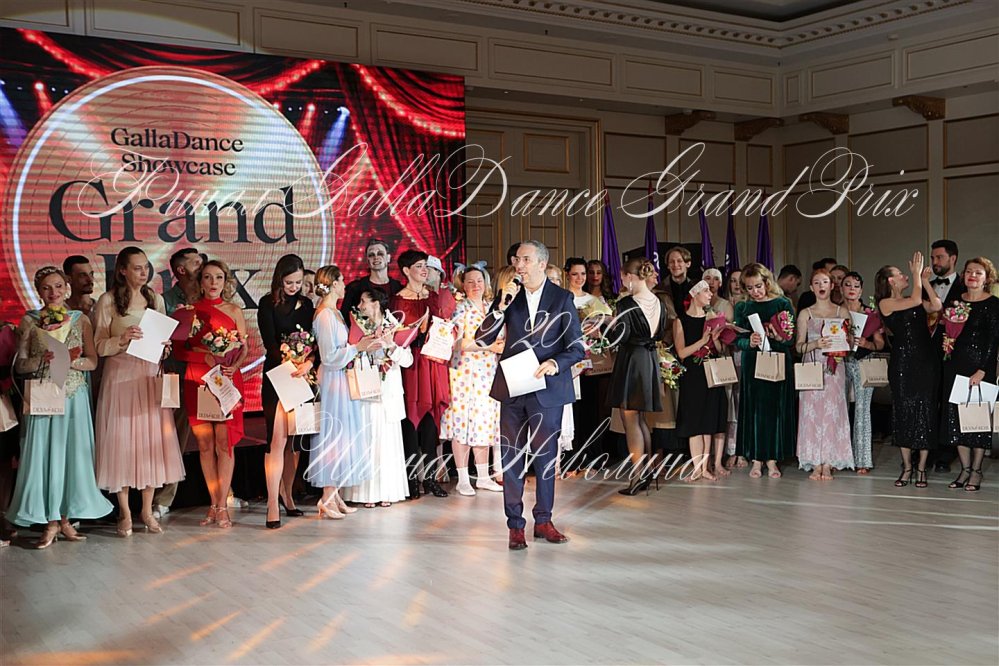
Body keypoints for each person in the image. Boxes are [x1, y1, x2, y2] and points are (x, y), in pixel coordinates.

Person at [475, 241, 585, 550]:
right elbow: (482, 339)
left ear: (541, 263)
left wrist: (555, 363)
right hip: (513, 388)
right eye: (516, 259)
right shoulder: (509, 298)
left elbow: (576, 347)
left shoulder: (562, 298)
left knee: (546, 459)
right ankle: (515, 525)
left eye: (525, 259)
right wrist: (499, 307)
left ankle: (544, 520)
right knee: (511, 458)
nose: (518, 264)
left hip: (546, 389)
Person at [7, 267, 112, 548]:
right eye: (46, 288)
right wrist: (43, 360)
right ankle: (50, 522)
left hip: (74, 396)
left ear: (66, 288)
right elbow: (20, 365)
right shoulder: (29, 320)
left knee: (73, 458)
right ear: (38, 291)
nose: (53, 292)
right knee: (43, 457)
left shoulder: (80, 319)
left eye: (58, 286)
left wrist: (70, 361)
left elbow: (92, 361)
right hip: (44, 397)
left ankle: (66, 519)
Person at [93, 247, 184, 537]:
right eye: (137, 268)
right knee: (120, 442)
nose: (143, 273)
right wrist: (121, 339)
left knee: (151, 442)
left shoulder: (155, 299)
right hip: (120, 376)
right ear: (122, 270)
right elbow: (98, 346)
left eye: (146, 267)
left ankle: (146, 510)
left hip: (147, 375)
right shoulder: (108, 301)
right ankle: (124, 512)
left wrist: (165, 346)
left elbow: (162, 339)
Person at [171, 260, 248, 529]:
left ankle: (223, 505)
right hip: (198, 381)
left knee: (224, 444)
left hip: (226, 380)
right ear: (200, 281)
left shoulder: (234, 310)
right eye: (207, 277)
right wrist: (203, 356)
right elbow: (179, 351)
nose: (213, 282)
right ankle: (213, 504)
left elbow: (244, 347)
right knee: (205, 446)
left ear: (225, 281)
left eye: (218, 277)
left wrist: (234, 366)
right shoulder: (189, 312)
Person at [306, 266, 381, 519]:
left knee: (344, 435)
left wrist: (362, 346)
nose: (345, 284)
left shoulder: (336, 312)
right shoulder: (325, 315)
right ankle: (327, 497)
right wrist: (356, 348)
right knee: (334, 435)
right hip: (332, 379)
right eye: (341, 280)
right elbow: (329, 356)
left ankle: (334, 494)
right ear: (333, 284)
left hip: (341, 378)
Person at [390, 249, 455, 499]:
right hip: (411, 364)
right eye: (418, 266)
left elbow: (444, 326)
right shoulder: (398, 300)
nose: (424, 270)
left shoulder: (434, 297)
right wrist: (415, 332)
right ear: (406, 271)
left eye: (425, 265)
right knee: (410, 420)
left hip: (432, 362)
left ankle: (430, 479)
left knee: (430, 423)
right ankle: (409, 481)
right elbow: (395, 335)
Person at [876, 251, 942, 489]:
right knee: (903, 412)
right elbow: (914, 300)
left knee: (926, 410)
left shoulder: (915, 296)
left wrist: (924, 281)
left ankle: (921, 468)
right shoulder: (886, 303)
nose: (905, 275)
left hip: (926, 361)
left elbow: (936, 305)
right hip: (903, 363)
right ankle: (906, 467)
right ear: (891, 281)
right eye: (900, 274)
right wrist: (915, 276)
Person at [341, 289, 413, 507]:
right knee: (366, 440)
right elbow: (350, 353)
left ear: (376, 304)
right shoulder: (357, 324)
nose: (360, 306)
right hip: (365, 389)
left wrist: (390, 345)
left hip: (387, 393)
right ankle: (365, 494)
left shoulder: (394, 325)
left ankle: (387, 492)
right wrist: (362, 348)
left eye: (363, 301)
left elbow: (408, 360)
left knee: (386, 443)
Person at [258, 254, 315, 527]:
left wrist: (308, 362)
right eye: (289, 282)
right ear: (279, 279)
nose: (294, 287)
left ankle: (288, 494)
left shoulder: (307, 305)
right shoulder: (267, 303)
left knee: (295, 441)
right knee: (277, 439)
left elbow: (314, 343)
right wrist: (287, 358)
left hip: (301, 376)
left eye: (298, 282)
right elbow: (269, 343)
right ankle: (272, 502)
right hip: (277, 376)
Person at [605, 259, 669, 495]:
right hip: (649, 360)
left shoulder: (626, 304)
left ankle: (637, 476)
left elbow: (620, 337)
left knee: (630, 419)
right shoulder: (660, 302)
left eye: (623, 277)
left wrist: (606, 324)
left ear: (630, 277)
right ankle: (647, 473)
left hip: (632, 360)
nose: (622, 281)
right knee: (640, 418)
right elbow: (660, 334)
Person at [440, 265, 504, 496]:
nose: (476, 285)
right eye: (470, 281)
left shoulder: (492, 308)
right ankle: (463, 478)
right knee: (462, 423)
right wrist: (488, 347)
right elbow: (457, 342)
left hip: (488, 372)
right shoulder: (461, 308)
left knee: (484, 422)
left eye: (479, 281)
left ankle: (484, 476)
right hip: (465, 373)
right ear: (463, 285)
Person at [940, 257, 999, 492]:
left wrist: (983, 369)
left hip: (980, 369)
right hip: (955, 366)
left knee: (976, 421)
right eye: (969, 271)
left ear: (987, 278)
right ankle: (964, 469)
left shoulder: (993, 304)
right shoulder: (955, 301)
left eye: (978, 272)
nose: (972, 275)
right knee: (956, 420)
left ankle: (976, 471)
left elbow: (994, 341)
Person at [734, 263, 796, 479]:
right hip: (753, 362)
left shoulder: (782, 303)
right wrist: (748, 341)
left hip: (777, 360)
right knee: (755, 410)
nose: (755, 292)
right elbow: (736, 339)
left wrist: (779, 336)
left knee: (774, 409)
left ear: (767, 283)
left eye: (758, 286)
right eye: (750, 288)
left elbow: (791, 339)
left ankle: (772, 459)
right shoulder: (743, 307)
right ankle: (756, 459)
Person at [154, 246, 203, 519]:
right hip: (177, 374)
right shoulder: (165, 301)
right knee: (174, 436)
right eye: (195, 262)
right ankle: (163, 497)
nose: (201, 265)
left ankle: (224, 493)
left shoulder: (209, 294)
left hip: (208, 373)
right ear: (181, 270)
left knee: (218, 436)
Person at [795, 270, 855, 480]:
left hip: (835, 368)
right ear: (811, 287)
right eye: (817, 282)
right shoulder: (806, 313)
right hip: (812, 366)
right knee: (811, 413)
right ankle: (814, 461)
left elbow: (850, 343)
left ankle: (829, 462)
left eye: (825, 282)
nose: (821, 286)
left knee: (833, 412)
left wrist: (845, 344)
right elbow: (799, 347)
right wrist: (815, 344)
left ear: (832, 286)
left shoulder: (842, 312)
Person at [674, 280, 727, 482]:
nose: (710, 294)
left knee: (707, 422)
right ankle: (697, 468)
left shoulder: (712, 317)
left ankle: (705, 467)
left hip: (711, 372)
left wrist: (716, 339)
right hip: (693, 375)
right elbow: (681, 353)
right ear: (694, 294)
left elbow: (720, 350)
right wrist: (702, 341)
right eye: (706, 291)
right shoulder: (681, 321)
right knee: (694, 422)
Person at [841, 271, 885, 474]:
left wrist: (867, 343)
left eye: (856, 286)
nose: (852, 289)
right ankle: (840, 457)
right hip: (839, 363)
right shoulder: (835, 311)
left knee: (862, 410)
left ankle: (862, 460)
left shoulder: (870, 314)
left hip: (863, 362)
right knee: (839, 410)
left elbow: (880, 343)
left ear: (861, 290)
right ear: (841, 288)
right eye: (848, 284)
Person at [928, 239, 964, 472]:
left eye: (939, 257)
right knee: (929, 402)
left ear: (953, 258)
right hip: (927, 355)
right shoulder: (926, 286)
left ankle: (946, 454)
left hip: (955, 355)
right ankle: (925, 451)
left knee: (950, 404)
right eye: (933, 258)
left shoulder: (965, 286)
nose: (935, 262)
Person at [341, 238, 403, 322]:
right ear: (367, 260)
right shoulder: (355, 288)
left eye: (380, 254)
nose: (376, 257)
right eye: (371, 255)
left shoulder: (399, 288)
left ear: (388, 258)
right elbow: (345, 318)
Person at [663, 247, 695, 315]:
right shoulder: (659, 289)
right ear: (668, 266)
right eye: (671, 262)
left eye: (679, 261)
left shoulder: (696, 288)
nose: (675, 265)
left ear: (688, 264)